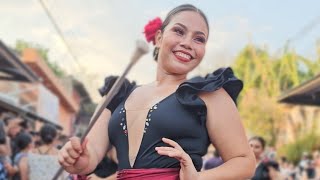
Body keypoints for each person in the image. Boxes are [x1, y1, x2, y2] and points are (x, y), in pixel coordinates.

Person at [58, 4, 255, 179]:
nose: (187, 43)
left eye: (199, 39)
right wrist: (80, 160)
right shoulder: (117, 94)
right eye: (179, 31)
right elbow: (90, 153)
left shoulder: (209, 94)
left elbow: (244, 161)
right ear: (159, 37)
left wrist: (198, 178)